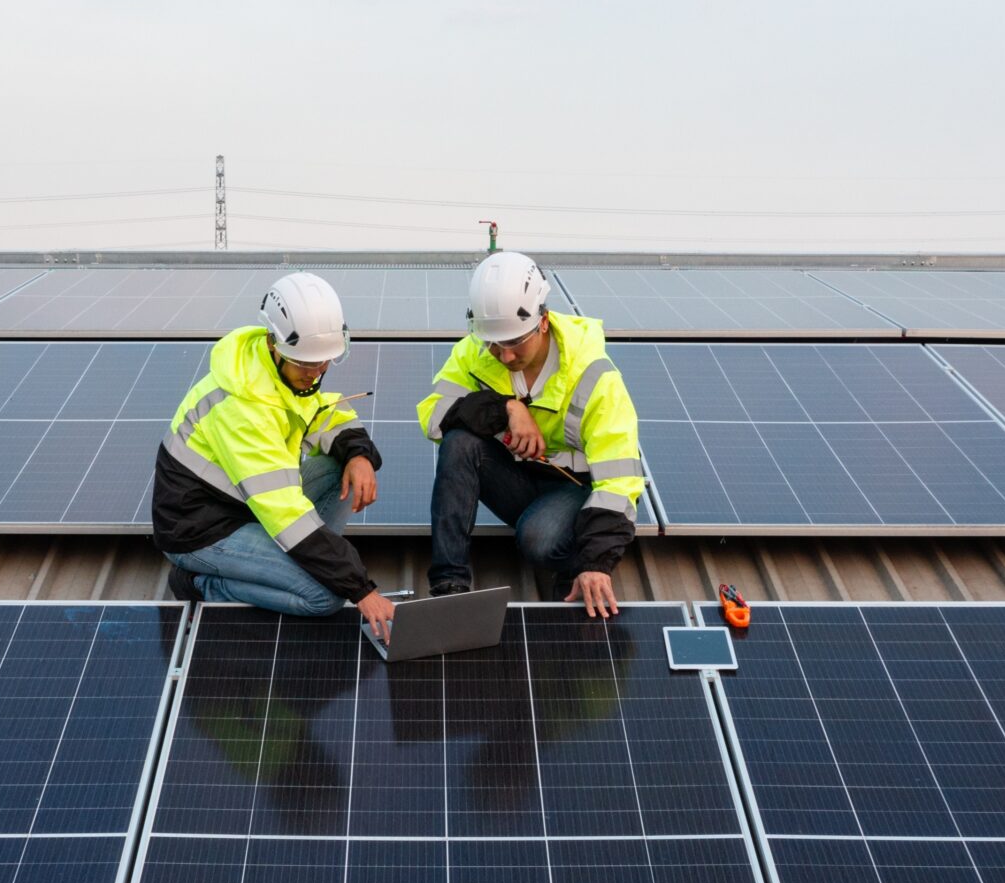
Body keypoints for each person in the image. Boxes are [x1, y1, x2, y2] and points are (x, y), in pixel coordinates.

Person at [154, 272, 397, 641]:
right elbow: (286, 516)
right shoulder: (241, 408)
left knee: (338, 466)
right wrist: (360, 587)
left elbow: (324, 411)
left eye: (324, 362)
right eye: (307, 364)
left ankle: (309, 562)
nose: (316, 374)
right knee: (326, 595)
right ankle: (201, 584)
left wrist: (359, 455)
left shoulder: (284, 373)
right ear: (274, 344)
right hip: (201, 529)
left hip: (246, 505)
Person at [416, 252, 643, 617]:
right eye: (494, 343)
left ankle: (573, 568)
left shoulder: (593, 373)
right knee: (458, 442)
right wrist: (506, 408)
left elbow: (619, 481)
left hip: (577, 489)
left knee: (538, 540)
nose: (503, 356)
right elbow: (433, 417)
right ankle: (449, 586)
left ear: (542, 320)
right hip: (519, 482)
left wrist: (596, 561)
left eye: (514, 343)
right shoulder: (473, 353)